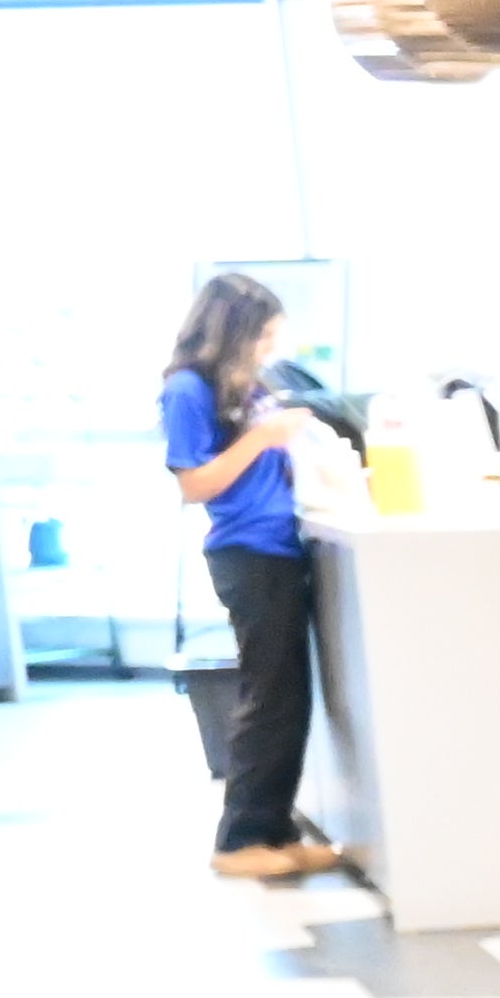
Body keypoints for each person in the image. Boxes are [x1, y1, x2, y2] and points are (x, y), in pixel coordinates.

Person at [160, 270, 336, 881]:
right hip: (247, 553)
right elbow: (193, 483)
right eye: (261, 336)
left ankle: (274, 829)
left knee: (288, 694)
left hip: (278, 545)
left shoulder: (242, 385)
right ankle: (241, 838)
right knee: (271, 696)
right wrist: (262, 438)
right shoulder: (187, 389)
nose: (267, 349)